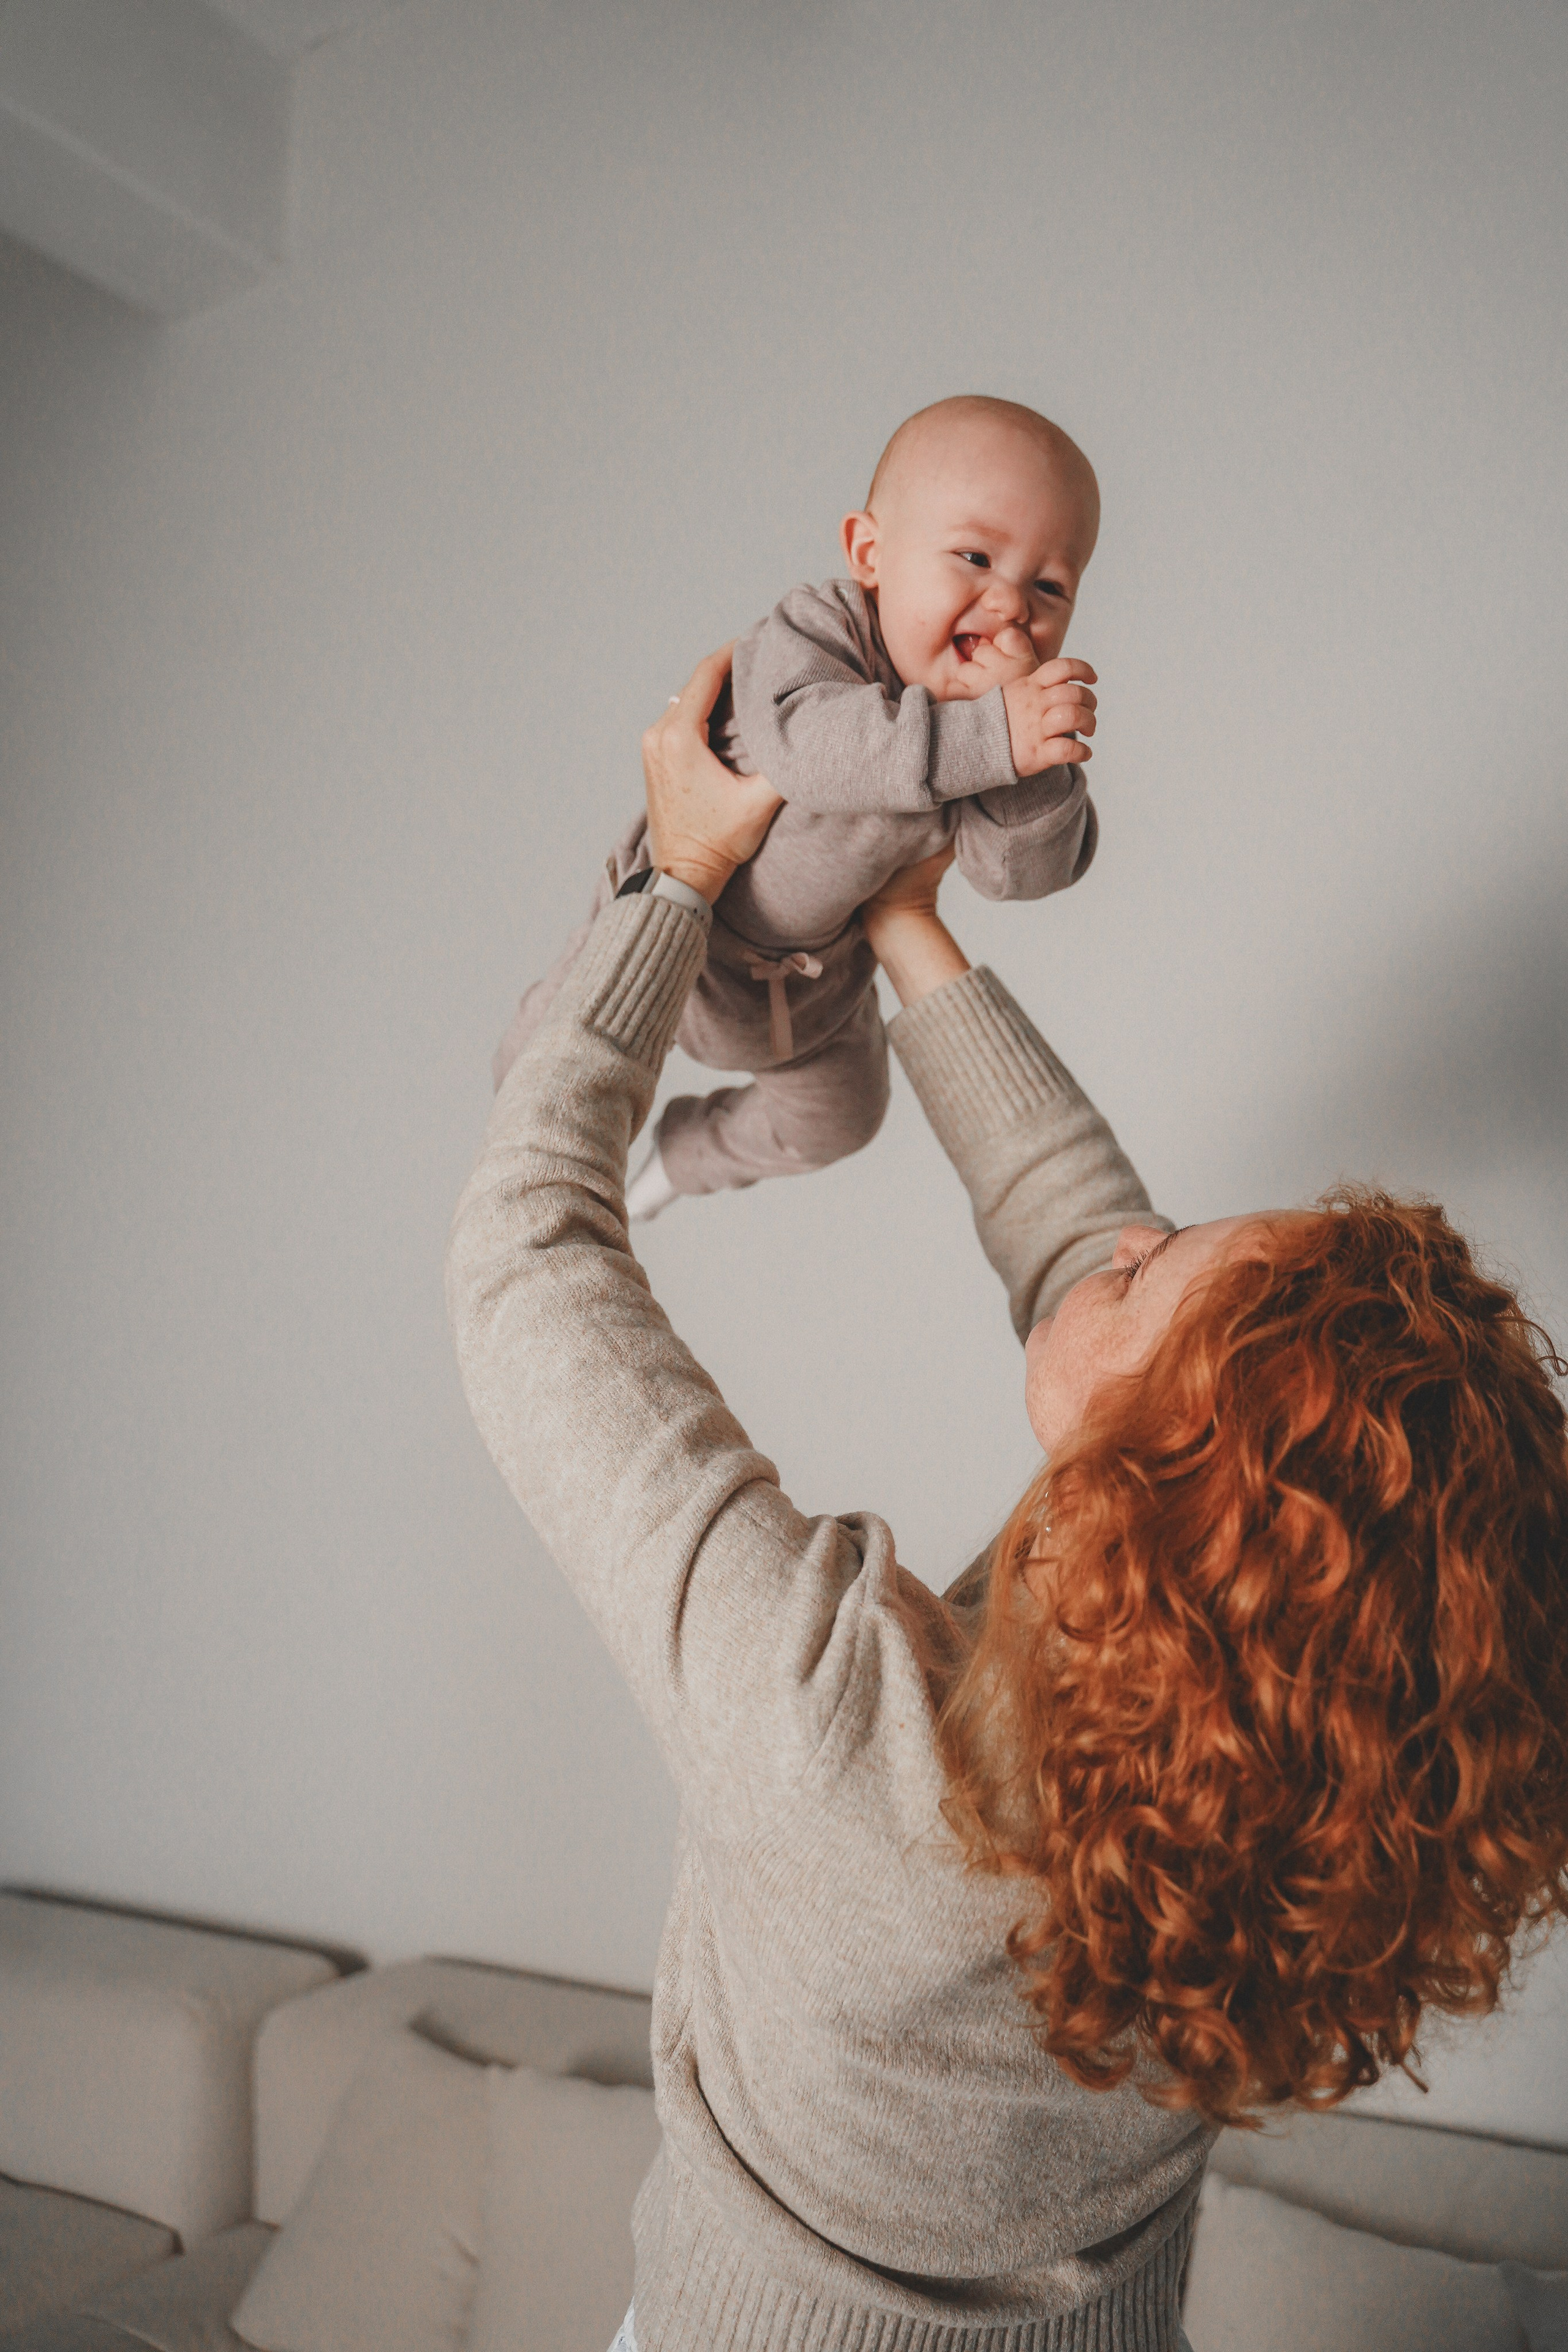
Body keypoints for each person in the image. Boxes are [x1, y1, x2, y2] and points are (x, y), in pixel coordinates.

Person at [447, 653, 1568, 2352]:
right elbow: (1083, 1249)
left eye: (1164, 1266)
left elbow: (527, 1253)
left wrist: (674, 879)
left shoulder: (847, 1743)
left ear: (1179, 1473)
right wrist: (904, 917)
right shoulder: (1269, 1811)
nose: (1129, 1235)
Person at [491, 395, 1102, 1219]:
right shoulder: (820, 631)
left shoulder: (989, 732)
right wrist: (994, 736)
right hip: (674, 925)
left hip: (814, 991)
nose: (1011, 606)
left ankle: (679, 1163)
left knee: (844, 1120)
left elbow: (1020, 873)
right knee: (537, 1075)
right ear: (870, 552)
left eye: (1050, 585)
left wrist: (1031, 760)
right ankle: (524, 1176)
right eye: (974, 557)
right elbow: (816, 754)